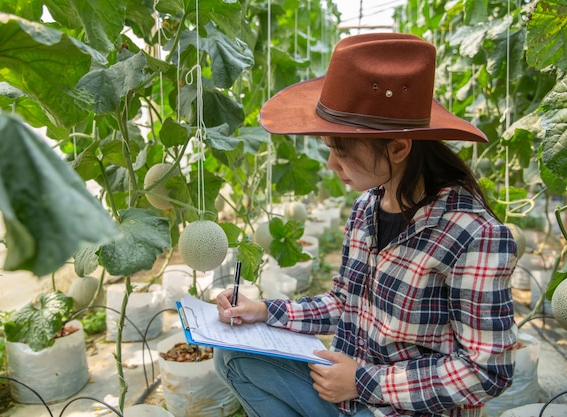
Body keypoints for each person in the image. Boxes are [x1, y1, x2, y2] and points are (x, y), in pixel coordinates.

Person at [214, 33, 518, 417]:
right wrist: (264, 311)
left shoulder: (474, 235)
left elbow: (487, 370)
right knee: (230, 357)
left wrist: (365, 380)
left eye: (340, 151)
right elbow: (346, 304)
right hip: (349, 397)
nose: (331, 165)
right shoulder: (365, 208)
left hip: (401, 408)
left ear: (398, 147)